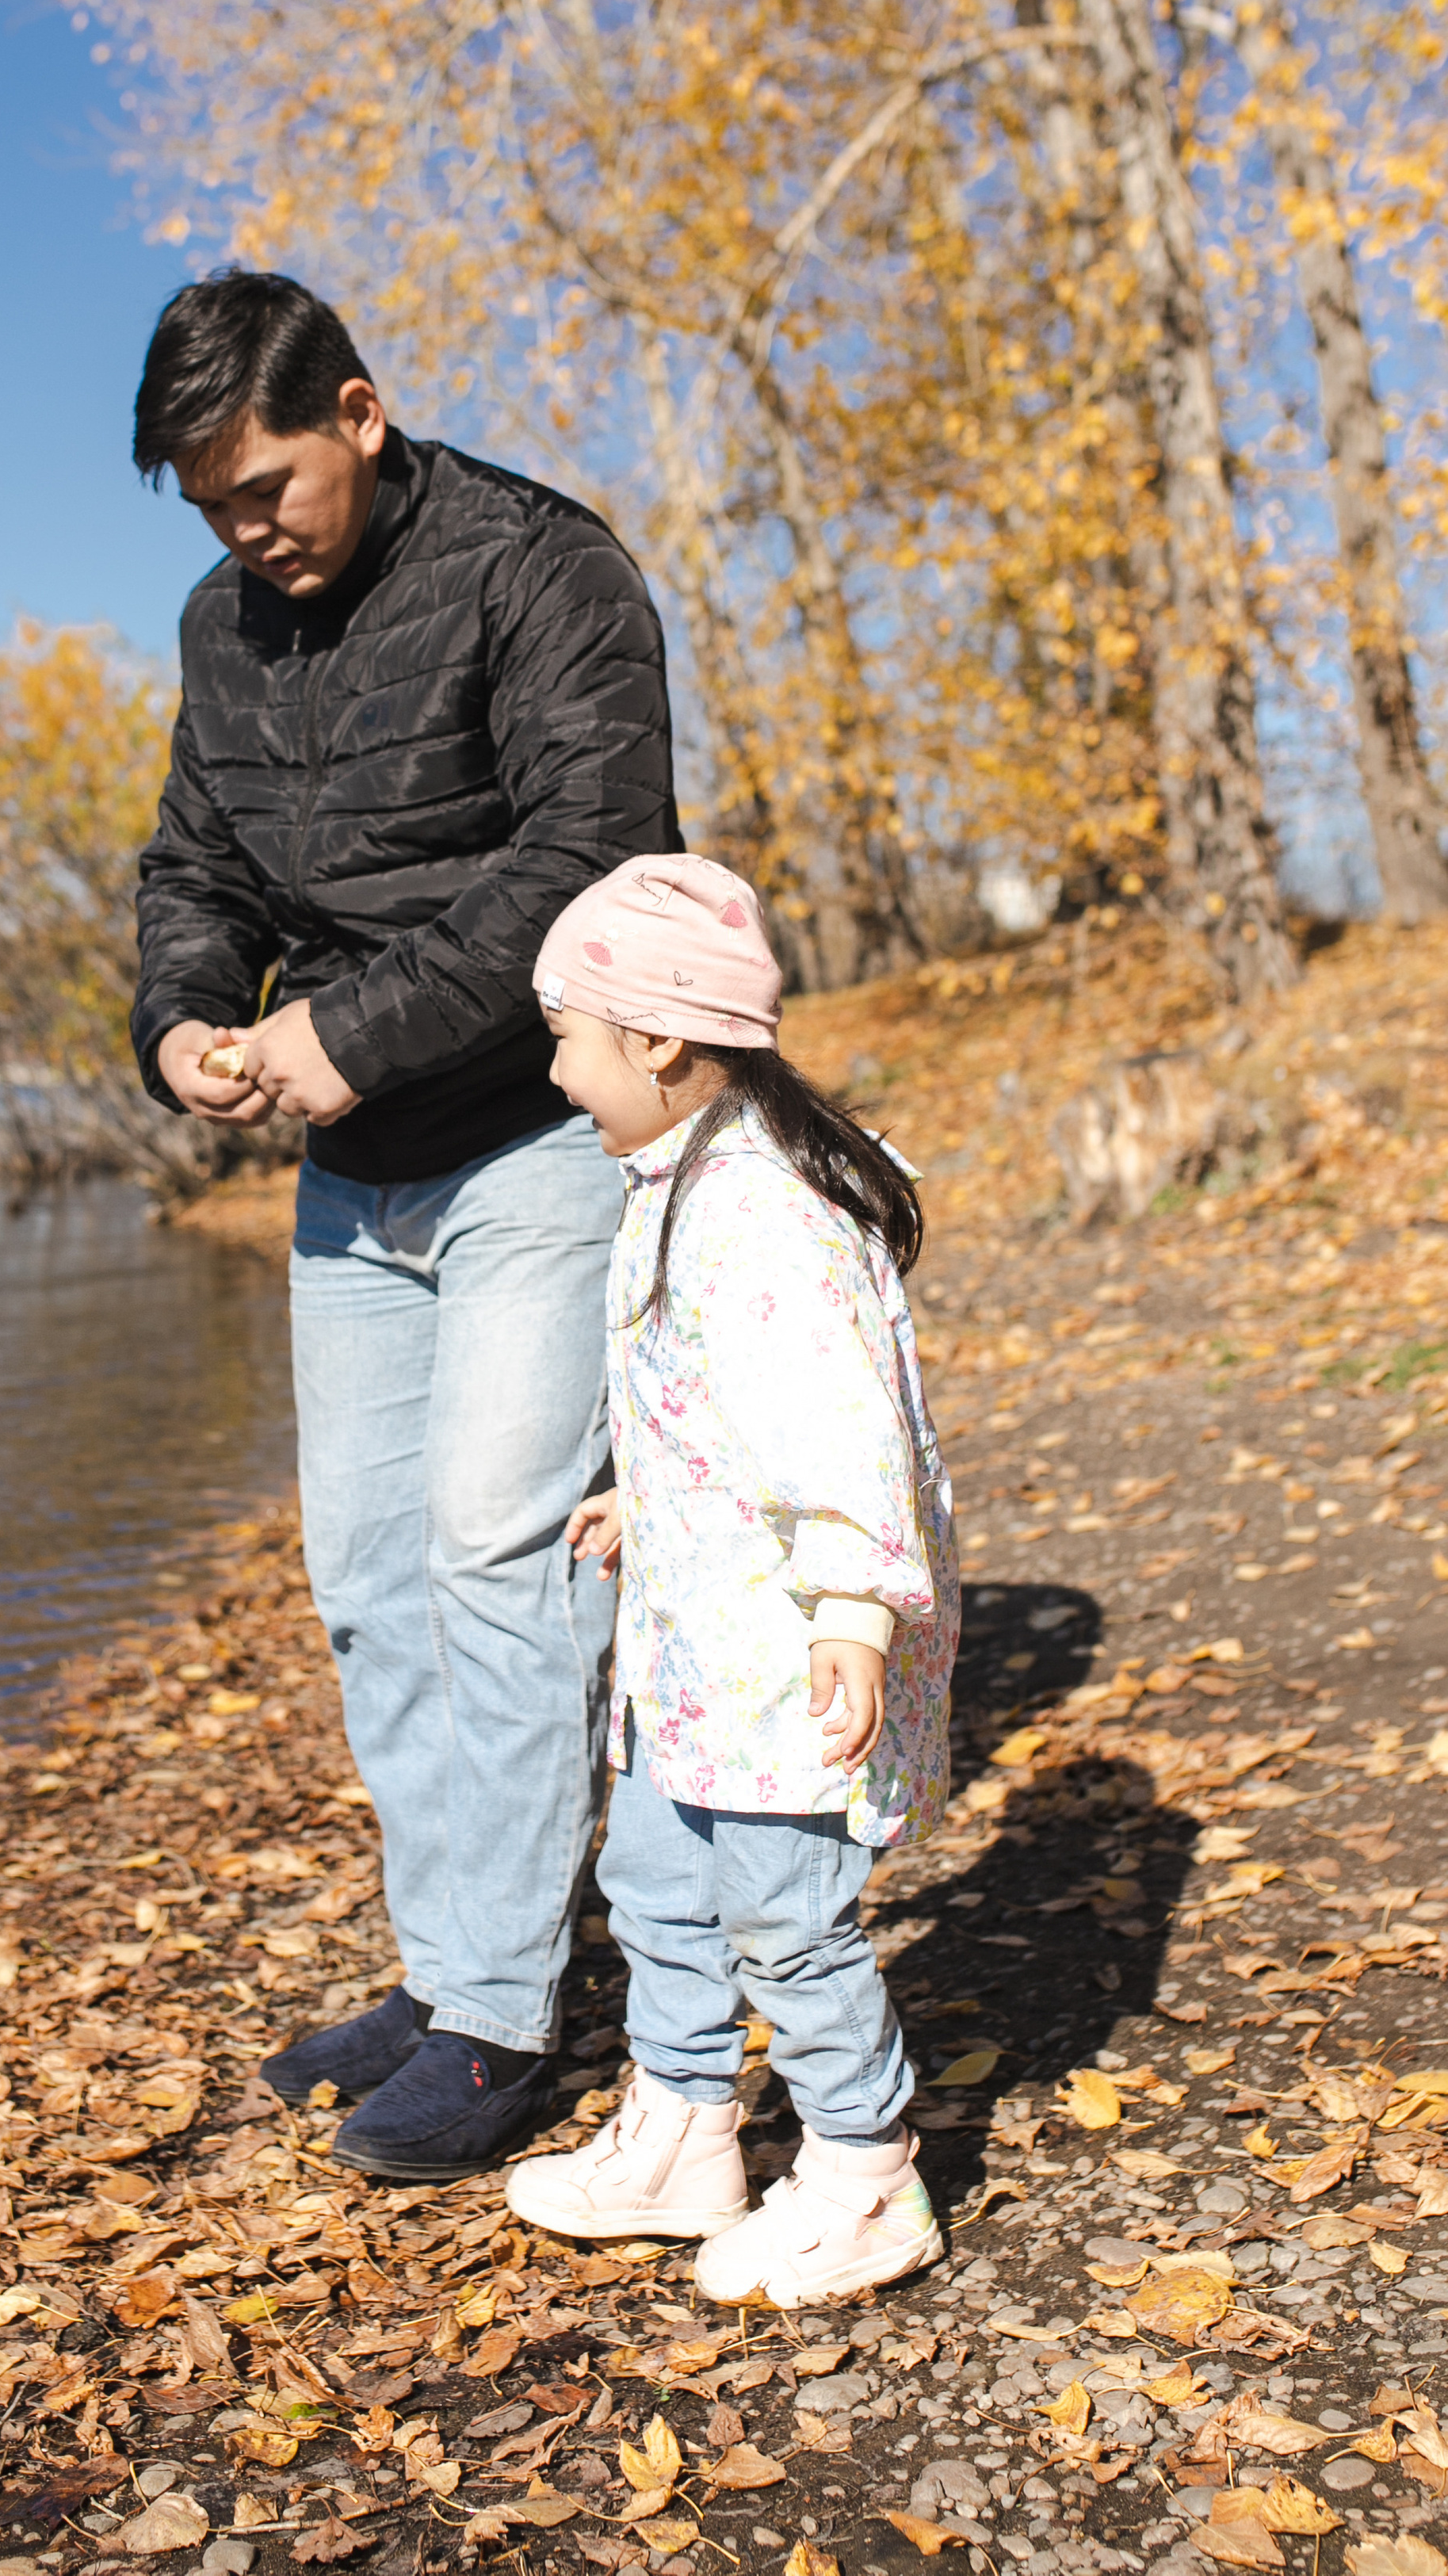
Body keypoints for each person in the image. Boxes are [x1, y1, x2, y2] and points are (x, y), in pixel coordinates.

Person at [127, 270, 680, 2182]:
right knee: (368, 1584)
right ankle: (456, 1965)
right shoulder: (224, 622)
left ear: (357, 413)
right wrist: (187, 1022)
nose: (243, 530)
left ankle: (510, 2019)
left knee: (497, 1560)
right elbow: (193, 861)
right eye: (207, 505)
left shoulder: (545, 571)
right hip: (345, 1175)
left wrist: (343, 1030)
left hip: (532, 1131)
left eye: (264, 483)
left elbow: (590, 854)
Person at [502, 851, 958, 2305]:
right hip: (695, 1643)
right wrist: (655, 1494)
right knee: (652, 1876)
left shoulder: (762, 1206)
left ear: (659, 1038)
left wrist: (853, 1613)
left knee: (783, 1909)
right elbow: (721, 1396)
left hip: (785, 1649)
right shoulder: (675, 1175)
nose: (558, 1070)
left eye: (568, 1034)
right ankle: (688, 2134)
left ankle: (865, 2175)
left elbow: (837, 1427)